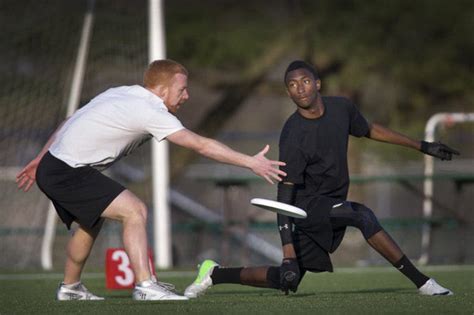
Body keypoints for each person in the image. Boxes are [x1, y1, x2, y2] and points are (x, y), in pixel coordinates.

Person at [184, 60, 459, 298]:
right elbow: (285, 196)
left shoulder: (342, 108)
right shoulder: (294, 135)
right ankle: (423, 283)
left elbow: (369, 129)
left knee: (287, 280)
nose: (300, 87)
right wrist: (288, 252)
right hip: (305, 207)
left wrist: (422, 145)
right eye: (292, 84)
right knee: (362, 215)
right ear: (288, 92)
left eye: (305, 81)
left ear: (318, 84)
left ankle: (215, 273)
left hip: (331, 202)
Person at [16, 59, 286, 301]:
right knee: (135, 210)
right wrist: (250, 162)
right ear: (162, 89)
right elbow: (200, 145)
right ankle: (145, 285)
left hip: (56, 165)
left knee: (90, 225)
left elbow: (69, 120)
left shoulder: (122, 92)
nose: (187, 96)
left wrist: (42, 157)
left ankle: (70, 288)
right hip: (67, 170)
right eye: (181, 89)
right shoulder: (151, 111)